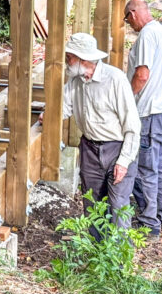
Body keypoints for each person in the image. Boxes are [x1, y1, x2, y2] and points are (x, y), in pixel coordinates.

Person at [41, 33, 140, 237]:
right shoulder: (76, 82)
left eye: (70, 57)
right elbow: (62, 107)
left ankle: (120, 263)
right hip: (90, 149)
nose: (67, 61)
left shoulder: (115, 80)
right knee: (92, 204)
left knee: (118, 207)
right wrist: (47, 116)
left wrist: (124, 161)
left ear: (83, 59)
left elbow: (132, 126)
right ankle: (97, 255)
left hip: (117, 149)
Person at [125, 0, 162, 240]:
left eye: (127, 19)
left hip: (150, 111)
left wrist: (125, 98)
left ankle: (149, 225)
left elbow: (142, 74)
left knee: (145, 170)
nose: (129, 25)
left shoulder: (147, 35)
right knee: (160, 166)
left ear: (134, 13)